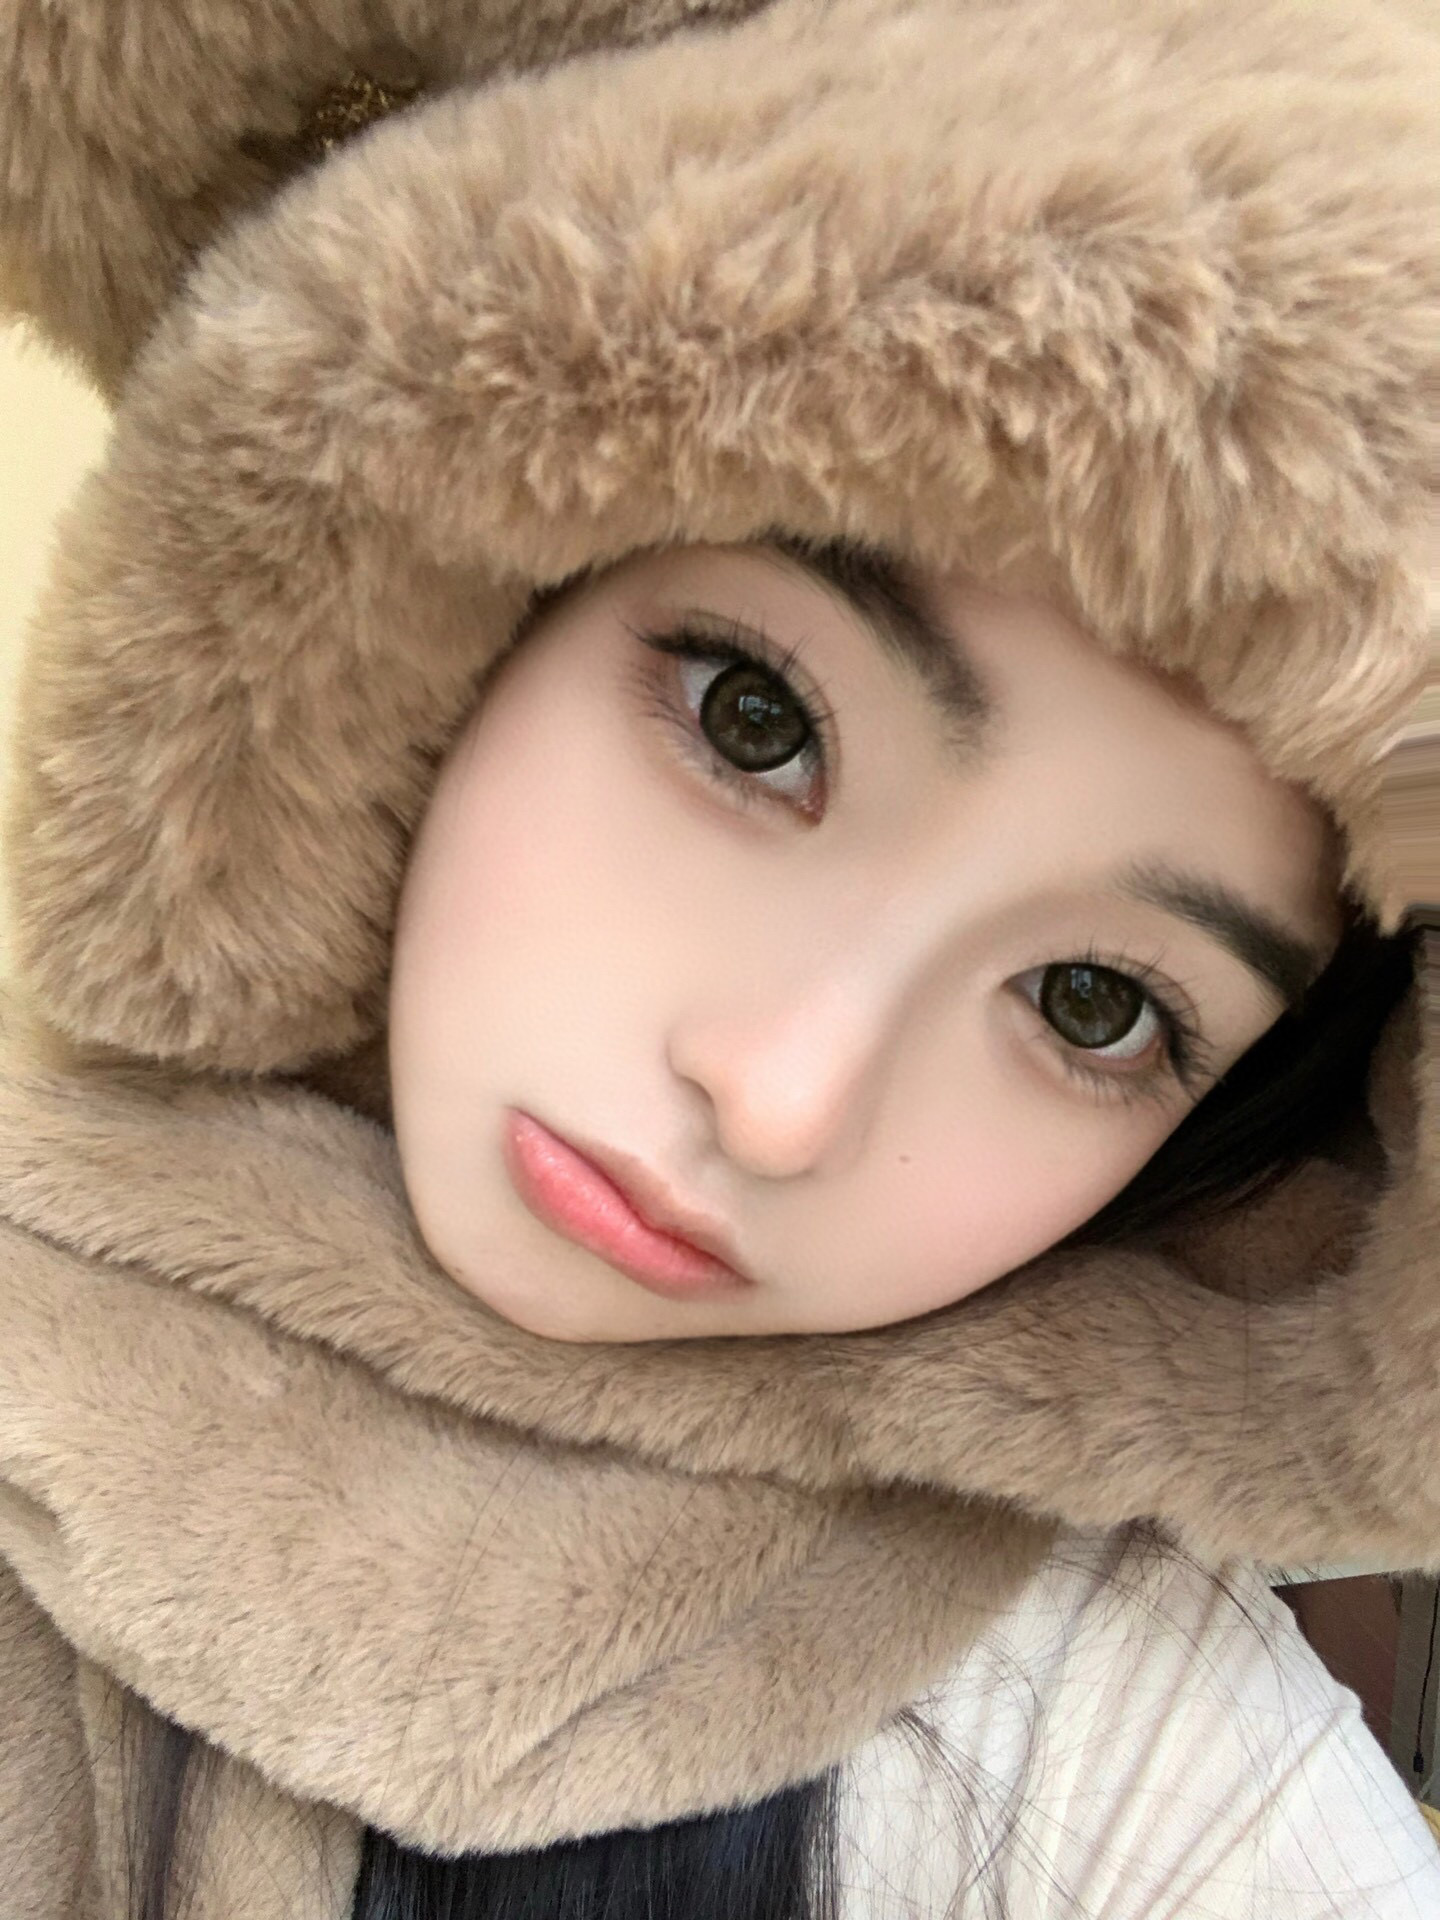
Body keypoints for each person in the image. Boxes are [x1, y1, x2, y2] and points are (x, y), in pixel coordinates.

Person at [0, 1, 1435, 1916]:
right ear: (437, 604)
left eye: (1093, 1007)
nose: (777, 1097)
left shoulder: (1130, 1774)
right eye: (757, 719)